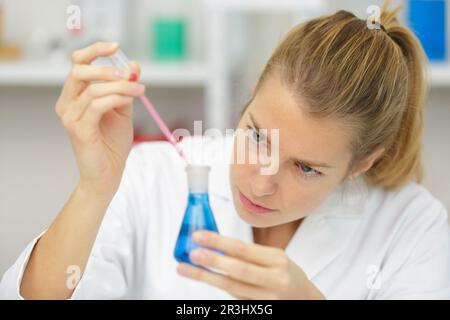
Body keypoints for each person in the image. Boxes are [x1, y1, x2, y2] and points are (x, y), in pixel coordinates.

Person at [1, 3, 449, 300]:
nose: (260, 181)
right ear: (251, 97)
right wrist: (93, 190)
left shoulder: (411, 227)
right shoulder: (155, 176)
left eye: (306, 168)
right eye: (257, 136)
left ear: (362, 163)